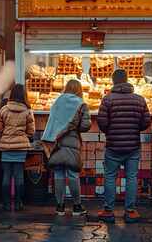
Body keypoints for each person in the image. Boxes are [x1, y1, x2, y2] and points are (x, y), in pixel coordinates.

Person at [97, 69, 151, 223]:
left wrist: (110, 131)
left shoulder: (107, 100)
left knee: (110, 177)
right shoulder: (139, 100)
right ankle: (130, 211)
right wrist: (135, 129)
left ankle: (108, 211)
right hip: (133, 146)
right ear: (127, 80)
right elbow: (146, 121)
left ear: (113, 81)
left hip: (113, 145)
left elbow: (102, 122)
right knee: (132, 177)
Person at [41, 79, 91, 216]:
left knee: (58, 174)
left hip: (55, 142)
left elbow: (52, 120)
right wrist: (76, 126)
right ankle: (76, 206)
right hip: (72, 141)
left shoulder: (57, 101)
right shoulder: (81, 104)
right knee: (73, 174)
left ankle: (60, 206)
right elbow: (86, 126)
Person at [0, 84, 34, 211]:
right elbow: (31, 131)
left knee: (6, 175)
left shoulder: (4, 110)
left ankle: (5, 203)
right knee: (19, 176)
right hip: (21, 147)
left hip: (6, 146)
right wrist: (22, 135)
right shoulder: (28, 111)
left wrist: (6, 134)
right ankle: (18, 203)